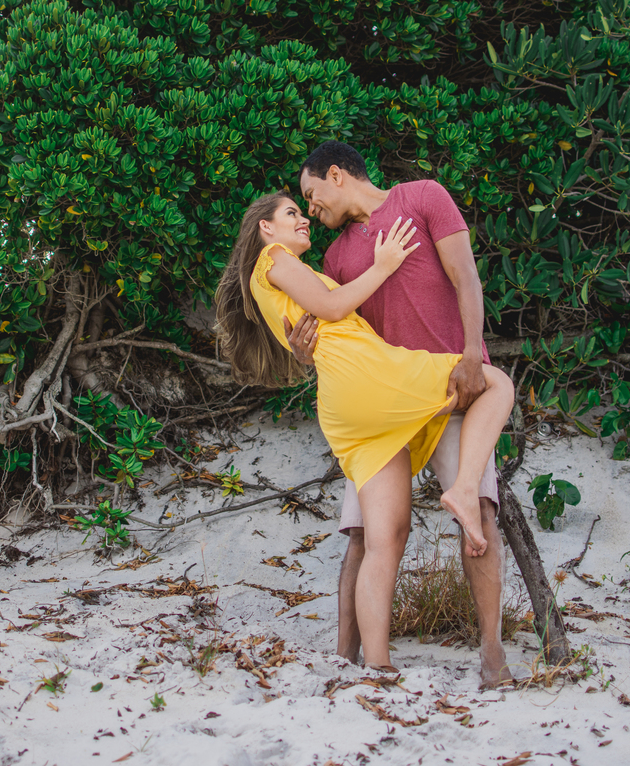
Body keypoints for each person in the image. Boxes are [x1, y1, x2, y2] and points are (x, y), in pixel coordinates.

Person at [214, 190, 515, 672]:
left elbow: (319, 321)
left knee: (384, 539)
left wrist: (303, 347)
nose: (305, 217)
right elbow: (334, 307)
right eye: (293, 211)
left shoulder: (282, 274)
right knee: (497, 383)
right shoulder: (274, 258)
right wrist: (385, 264)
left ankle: (377, 665)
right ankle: (462, 489)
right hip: (369, 380)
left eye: (305, 206)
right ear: (265, 228)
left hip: (346, 409)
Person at [289, 141, 513, 687]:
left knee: (480, 512)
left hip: (450, 389)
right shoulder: (335, 259)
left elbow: (466, 277)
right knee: (364, 534)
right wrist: (303, 354)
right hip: (384, 410)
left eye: (312, 195)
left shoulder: (423, 197)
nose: (311, 209)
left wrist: (472, 353)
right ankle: (346, 658)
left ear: (336, 175)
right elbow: (337, 336)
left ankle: (492, 656)